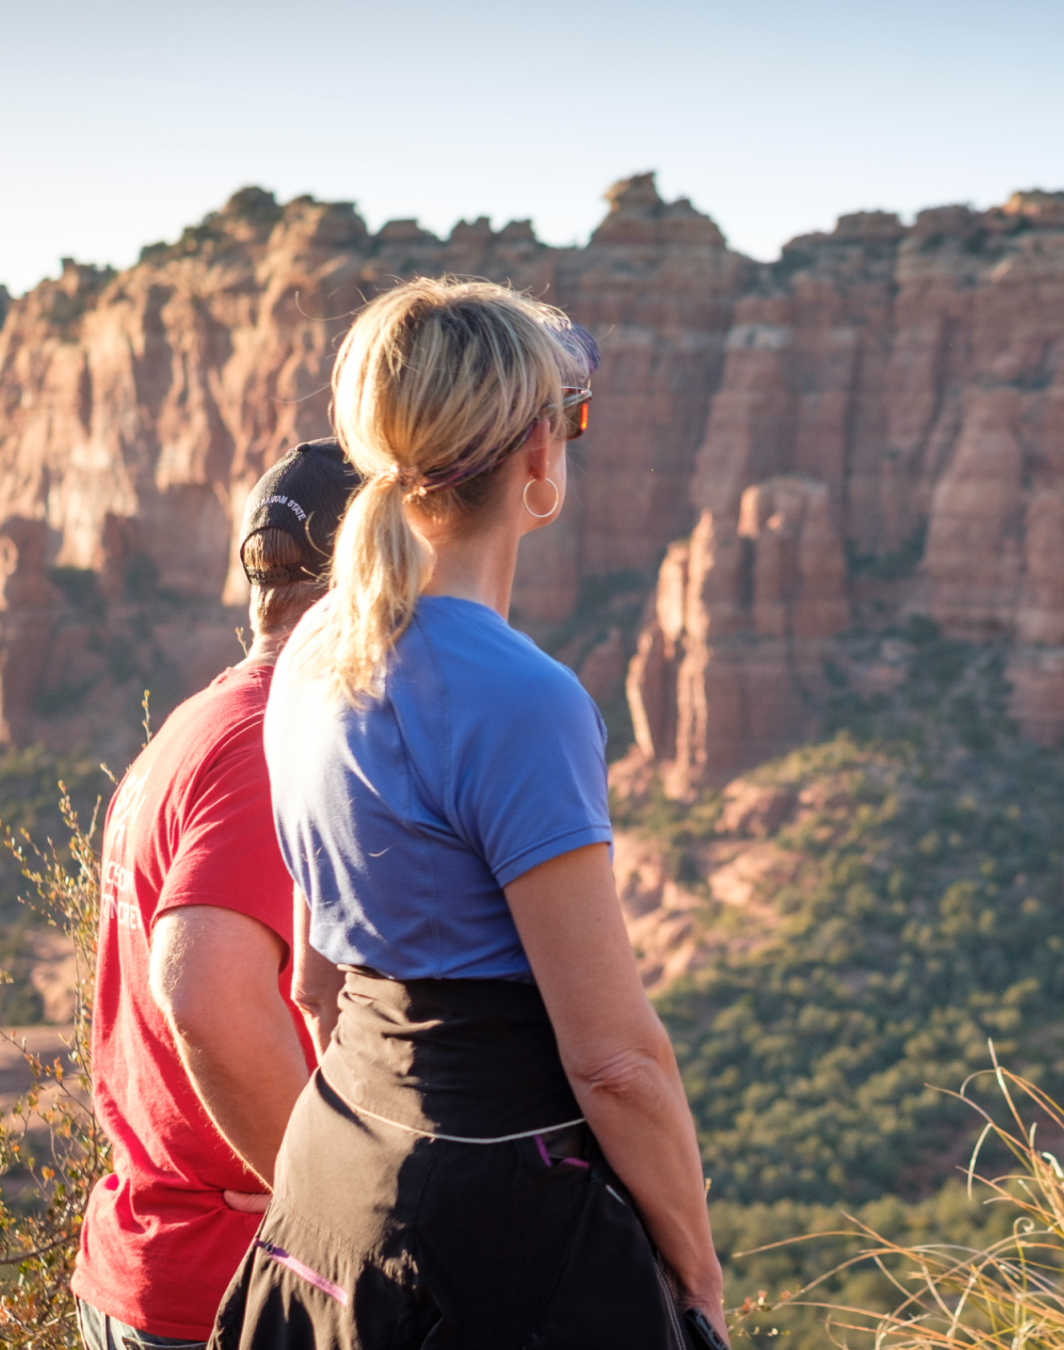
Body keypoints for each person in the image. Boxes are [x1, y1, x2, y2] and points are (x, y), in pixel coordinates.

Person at [212, 278, 726, 1348]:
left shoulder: (311, 652)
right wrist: (693, 1270)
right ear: (538, 454)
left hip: (333, 1178)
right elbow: (614, 1062)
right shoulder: (520, 697)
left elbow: (313, 984)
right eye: (568, 423)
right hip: (501, 1225)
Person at [73, 440, 363, 1350]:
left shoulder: (197, 724)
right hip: (232, 1294)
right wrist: (332, 1201)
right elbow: (202, 994)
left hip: (144, 1265)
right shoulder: (268, 747)